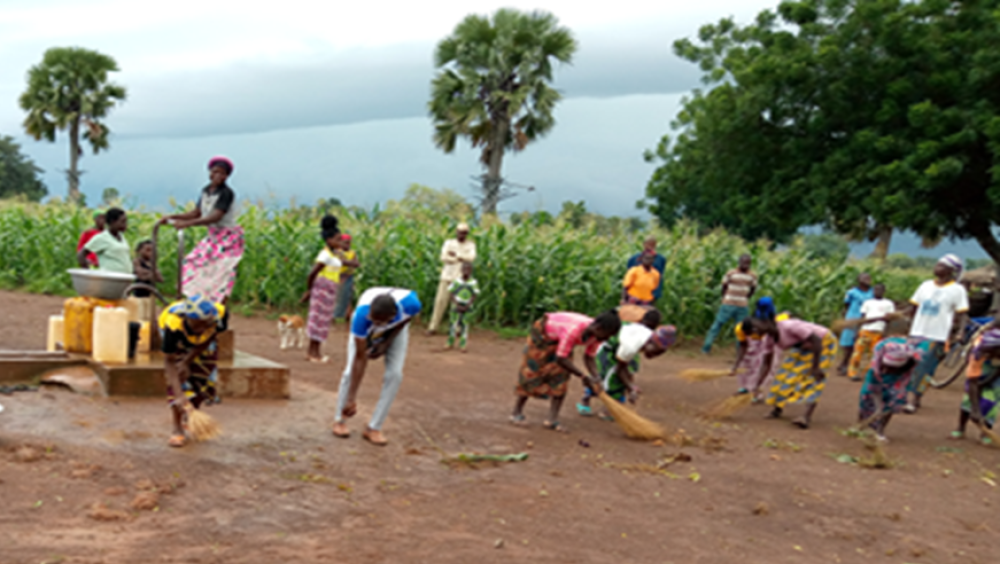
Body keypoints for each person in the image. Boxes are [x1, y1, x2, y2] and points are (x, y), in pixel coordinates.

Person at [333, 287, 422, 446]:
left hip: (395, 328)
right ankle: (340, 420)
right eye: (373, 319)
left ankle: (374, 427)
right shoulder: (362, 317)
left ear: (392, 316)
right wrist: (352, 399)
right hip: (371, 320)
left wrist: (386, 342)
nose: (375, 324)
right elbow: (360, 359)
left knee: (395, 375)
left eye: (379, 322)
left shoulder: (411, 305)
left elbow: (406, 319)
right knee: (349, 372)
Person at [511, 310, 621, 432]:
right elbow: (561, 358)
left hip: (561, 338)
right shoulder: (573, 331)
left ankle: (552, 419)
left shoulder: (596, 336)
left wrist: (596, 377)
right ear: (598, 328)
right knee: (532, 371)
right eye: (608, 335)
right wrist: (583, 377)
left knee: (561, 377)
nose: (607, 339)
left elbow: (589, 357)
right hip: (543, 334)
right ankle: (516, 413)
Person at [156, 156, 243, 303]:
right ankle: (197, 301)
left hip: (228, 238)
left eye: (222, 174)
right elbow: (196, 212)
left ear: (227, 176)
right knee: (193, 263)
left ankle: (220, 311)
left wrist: (188, 224)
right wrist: (173, 216)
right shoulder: (206, 191)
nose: (218, 176)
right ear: (209, 172)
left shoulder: (226, 193)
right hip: (214, 236)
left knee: (221, 273)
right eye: (215, 172)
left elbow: (214, 217)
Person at [577, 309, 675, 419]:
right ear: (651, 343)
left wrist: (630, 386)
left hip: (621, 346)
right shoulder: (631, 346)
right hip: (607, 346)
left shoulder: (648, 337)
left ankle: (612, 405)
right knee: (603, 375)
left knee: (630, 369)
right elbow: (620, 370)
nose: (655, 355)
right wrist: (630, 388)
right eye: (656, 351)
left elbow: (626, 368)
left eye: (660, 353)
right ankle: (586, 400)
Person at [159, 295, 227, 448]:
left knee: (202, 376)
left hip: (202, 344)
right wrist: (180, 395)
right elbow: (169, 361)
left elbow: (210, 336)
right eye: (197, 325)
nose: (201, 328)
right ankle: (177, 427)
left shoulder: (219, 315)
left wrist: (188, 360)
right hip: (179, 339)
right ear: (187, 319)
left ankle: (191, 418)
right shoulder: (173, 325)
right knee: (180, 379)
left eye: (205, 324)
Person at [748, 315, 838, 429]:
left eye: (755, 327)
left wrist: (816, 367)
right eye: (752, 331)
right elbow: (766, 364)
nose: (754, 332)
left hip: (823, 342)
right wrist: (757, 385)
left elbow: (816, 340)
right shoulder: (769, 339)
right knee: (784, 376)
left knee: (814, 379)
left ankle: (805, 417)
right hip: (803, 345)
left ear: (767, 322)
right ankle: (777, 409)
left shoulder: (789, 326)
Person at [905, 254, 969, 413]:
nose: (936, 267)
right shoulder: (925, 285)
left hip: (937, 336)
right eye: (937, 264)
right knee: (909, 365)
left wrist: (960, 332)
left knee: (925, 368)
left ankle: (914, 399)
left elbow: (962, 314)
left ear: (950, 271)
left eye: (941, 265)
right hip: (916, 333)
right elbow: (913, 308)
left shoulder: (957, 290)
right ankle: (905, 396)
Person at [302, 216, 358, 363]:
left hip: (330, 289)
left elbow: (349, 263)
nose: (340, 243)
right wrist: (309, 290)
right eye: (338, 239)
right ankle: (312, 353)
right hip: (322, 288)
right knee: (318, 320)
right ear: (329, 241)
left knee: (323, 321)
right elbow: (312, 273)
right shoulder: (325, 254)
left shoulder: (335, 254)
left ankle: (315, 352)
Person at [857, 337, 919, 442]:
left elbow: (901, 389)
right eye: (887, 367)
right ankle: (861, 424)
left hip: (899, 378)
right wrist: (877, 408)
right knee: (866, 396)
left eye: (892, 368)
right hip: (878, 374)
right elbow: (873, 386)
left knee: (893, 401)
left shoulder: (910, 361)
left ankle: (880, 430)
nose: (889, 370)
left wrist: (885, 408)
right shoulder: (879, 353)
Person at [730, 297, 789, 400]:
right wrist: (736, 365)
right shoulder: (741, 327)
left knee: (764, 365)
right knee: (747, 363)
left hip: (771, 342)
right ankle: (746, 387)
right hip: (755, 343)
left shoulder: (778, 321)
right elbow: (743, 345)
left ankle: (756, 391)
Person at [952, 328, 1000, 445]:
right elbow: (973, 381)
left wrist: (986, 382)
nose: (986, 354)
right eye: (985, 352)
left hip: (996, 373)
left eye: (989, 353)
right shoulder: (977, 352)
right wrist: (975, 409)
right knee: (968, 400)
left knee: (991, 401)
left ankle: (986, 431)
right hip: (981, 369)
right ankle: (961, 427)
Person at [702, 254, 757, 354]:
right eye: (744, 262)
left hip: (742, 306)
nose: (746, 265)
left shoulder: (752, 276)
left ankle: (739, 351)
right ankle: (706, 347)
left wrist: (745, 298)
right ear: (739, 262)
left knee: (741, 329)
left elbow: (753, 289)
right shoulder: (731, 273)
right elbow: (724, 286)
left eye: (748, 263)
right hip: (728, 304)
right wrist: (725, 298)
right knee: (717, 325)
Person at [428, 223, 476, 334]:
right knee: (440, 302)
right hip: (446, 276)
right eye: (459, 232)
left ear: (467, 234)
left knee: (457, 304)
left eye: (463, 233)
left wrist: (456, 255)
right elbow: (444, 257)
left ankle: (456, 328)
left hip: (460, 279)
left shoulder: (471, 245)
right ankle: (433, 327)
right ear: (456, 232)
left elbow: (471, 258)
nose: (461, 235)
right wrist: (461, 258)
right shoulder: (449, 243)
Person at [846, 283, 895, 381]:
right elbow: (863, 318)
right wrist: (857, 331)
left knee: (873, 355)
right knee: (857, 353)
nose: (878, 292)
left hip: (879, 331)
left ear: (884, 291)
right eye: (876, 290)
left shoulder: (889, 304)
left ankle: (868, 374)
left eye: (880, 290)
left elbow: (890, 320)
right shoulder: (868, 302)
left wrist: (886, 332)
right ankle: (853, 373)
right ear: (873, 291)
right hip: (865, 330)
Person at [836, 273, 874, 375]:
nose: (868, 279)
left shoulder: (873, 292)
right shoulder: (851, 292)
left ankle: (850, 365)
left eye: (868, 277)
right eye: (865, 278)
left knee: (859, 343)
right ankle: (844, 364)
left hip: (867, 319)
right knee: (849, 344)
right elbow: (846, 305)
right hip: (853, 318)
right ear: (859, 280)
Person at [77, 207, 131, 274]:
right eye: (122, 222)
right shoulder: (102, 237)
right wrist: (87, 272)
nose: (125, 225)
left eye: (126, 222)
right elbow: (81, 254)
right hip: (109, 279)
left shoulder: (121, 237)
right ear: (112, 221)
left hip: (124, 278)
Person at [447, 262, 480, 351]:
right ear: (461, 270)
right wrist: (457, 304)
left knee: (465, 326)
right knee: (453, 325)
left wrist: (467, 305)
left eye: (468, 269)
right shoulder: (456, 281)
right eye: (464, 269)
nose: (466, 271)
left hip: (468, 307)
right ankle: (450, 342)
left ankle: (463, 344)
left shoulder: (473, 282)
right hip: (456, 306)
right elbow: (451, 292)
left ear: (471, 271)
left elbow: (474, 295)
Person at [626, 237, 667, 303]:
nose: (649, 247)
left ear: (655, 246)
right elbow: (628, 278)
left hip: (649, 295)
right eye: (648, 244)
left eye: (652, 245)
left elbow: (659, 278)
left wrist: (655, 294)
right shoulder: (634, 258)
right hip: (633, 294)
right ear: (644, 245)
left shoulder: (660, 259)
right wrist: (626, 295)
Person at [332, 233, 359, 328]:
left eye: (349, 243)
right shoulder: (336, 252)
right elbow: (337, 262)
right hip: (337, 277)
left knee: (347, 297)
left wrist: (346, 262)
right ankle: (334, 317)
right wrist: (349, 262)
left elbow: (357, 264)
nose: (347, 245)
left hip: (348, 277)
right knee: (338, 298)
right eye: (345, 243)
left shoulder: (352, 252)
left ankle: (347, 317)